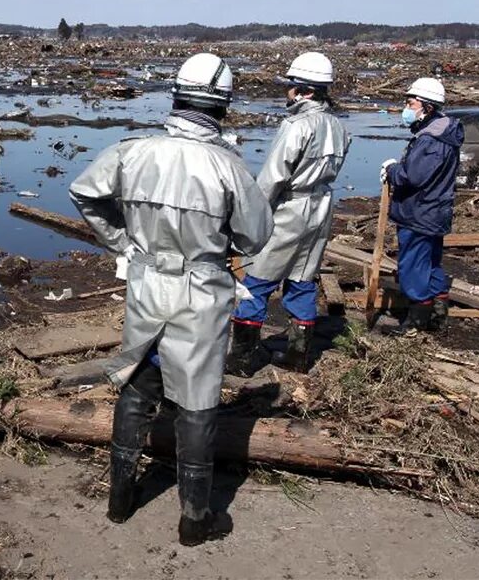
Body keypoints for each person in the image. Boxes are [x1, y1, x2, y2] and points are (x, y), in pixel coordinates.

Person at [69, 52, 274, 547]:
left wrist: (124, 242)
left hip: (146, 282)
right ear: (223, 104)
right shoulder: (228, 167)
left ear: (177, 95)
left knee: (139, 380)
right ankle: (195, 518)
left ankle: (120, 501)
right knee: (198, 401)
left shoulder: (132, 151)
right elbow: (256, 236)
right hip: (201, 290)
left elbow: (85, 194)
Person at [228, 52, 351, 375]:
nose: (288, 92)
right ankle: (299, 355)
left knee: (257, 278)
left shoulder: (296, 126)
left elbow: (272, 177)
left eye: (292, 86)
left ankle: (241, 359)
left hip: (290, 209)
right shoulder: (338, 127)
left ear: (305, 90)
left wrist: (250, 215)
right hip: (321, 207)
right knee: (302, 278)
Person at [380, 77, 463, 333]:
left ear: (426, 106)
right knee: (431, 263)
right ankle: (437, 315)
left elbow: (413, 176)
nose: (407, 107)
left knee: (413, 266)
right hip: (434, 209)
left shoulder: (431, 140)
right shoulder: (442, 133)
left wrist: (392, 170)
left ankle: (416, 322)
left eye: (411, 102)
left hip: (420, 212)